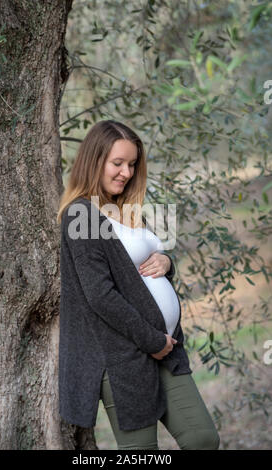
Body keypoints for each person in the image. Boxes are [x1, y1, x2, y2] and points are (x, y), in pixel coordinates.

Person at [57, 120, 220, 450]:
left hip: (165, 350)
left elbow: (140, 264)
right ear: (94, 160)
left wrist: (168, 261)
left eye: (132, 164)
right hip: (124, 356)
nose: (126, 172)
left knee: (202, 438)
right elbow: (99, 295)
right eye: (117, 163)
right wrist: (151, 340)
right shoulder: (81, 215)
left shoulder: (124, 209)